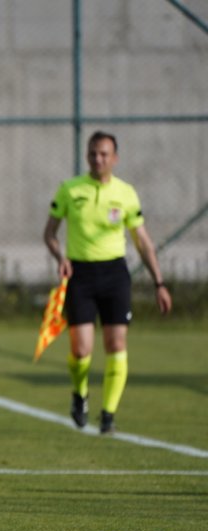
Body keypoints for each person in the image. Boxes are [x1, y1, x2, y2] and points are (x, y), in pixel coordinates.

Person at [42, 131, 171, 434]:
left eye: (103, 154)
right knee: (82, 348)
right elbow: (49, 233)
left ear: (115, 158)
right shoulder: (70, 190)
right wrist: (60, 256)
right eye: (93, 154)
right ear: (87, 156)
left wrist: (159, 283)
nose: (97, 159)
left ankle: (109, 415)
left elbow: (142, 241)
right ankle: (80, 394)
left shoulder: (126, 193)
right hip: (80, 275)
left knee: (116, 344)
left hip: (115, 275)